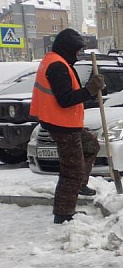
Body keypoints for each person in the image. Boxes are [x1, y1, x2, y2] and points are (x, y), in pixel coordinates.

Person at [30, 28, 105, 224]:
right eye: (76, 51)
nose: (78, 55)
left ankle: (79, 185)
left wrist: (89, 91)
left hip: (67, 123)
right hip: (62, 125)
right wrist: (89, 90)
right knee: (72, 170)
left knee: (91, 146)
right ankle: (63, 214)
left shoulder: (57, 61)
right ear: (67, 48)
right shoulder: (57, 66)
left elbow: (67, 94)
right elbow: (65, 99)